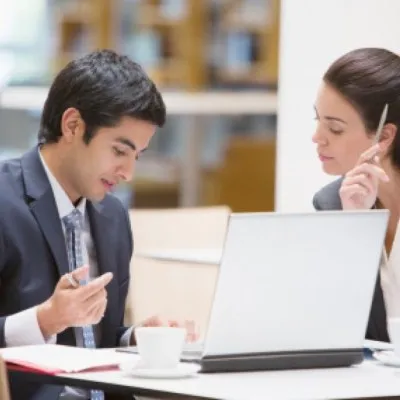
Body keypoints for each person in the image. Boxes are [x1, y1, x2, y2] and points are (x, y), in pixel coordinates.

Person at [0, 49, 187, 399]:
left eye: (137, 156)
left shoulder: (112, 217)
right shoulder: (3, 201)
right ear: (72, 125)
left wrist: (135, 337)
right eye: (119, 151)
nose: (129, 173)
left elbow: (94, 342)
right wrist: (44, 321)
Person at [312, 47, 400, 342]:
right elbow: (332, 328)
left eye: (334, 128)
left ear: (384, 137)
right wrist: (355, 226)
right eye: (318, 120)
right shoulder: (332, 204)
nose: (317, 137)